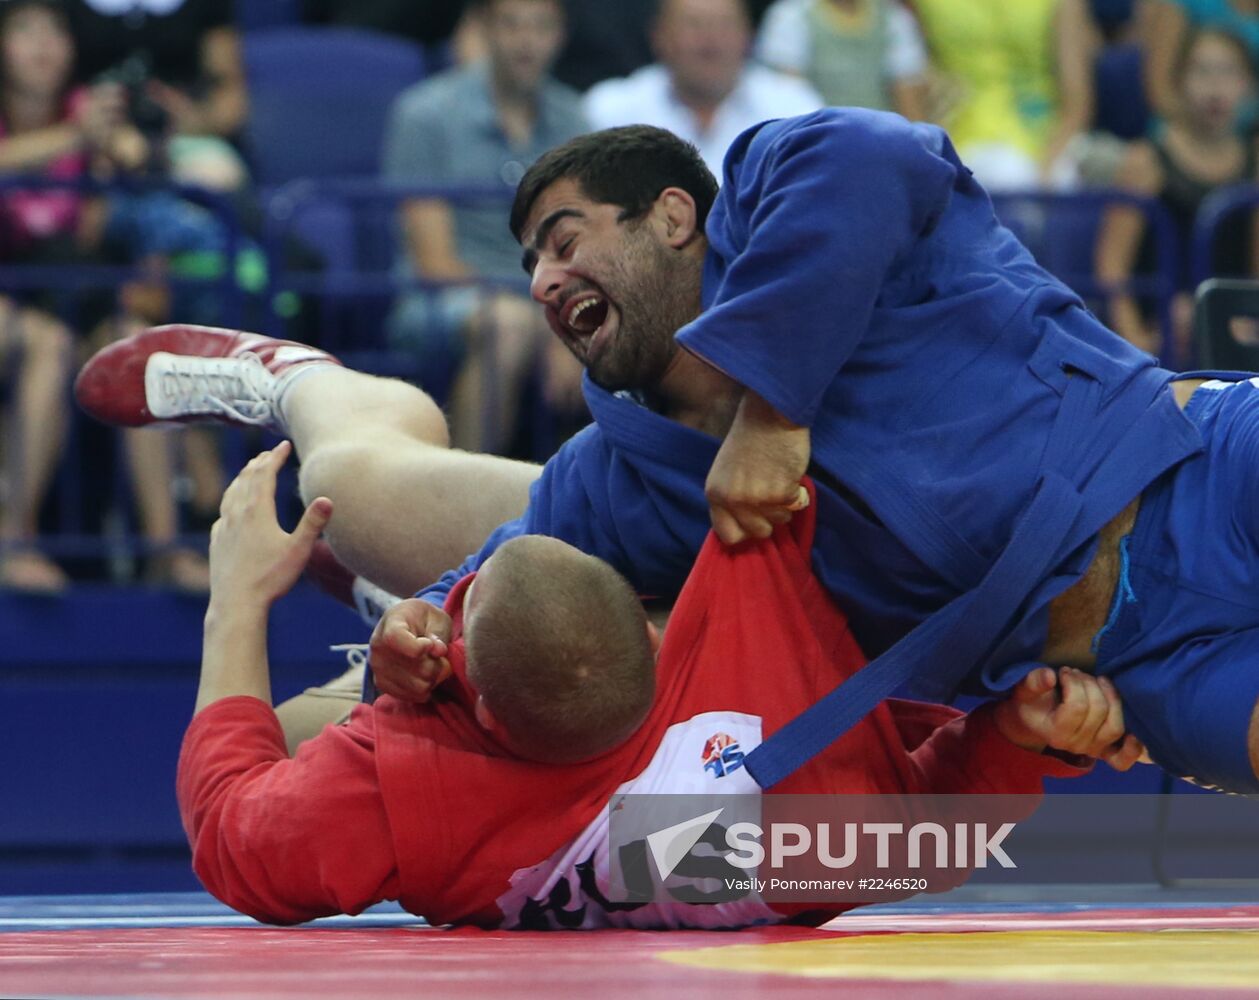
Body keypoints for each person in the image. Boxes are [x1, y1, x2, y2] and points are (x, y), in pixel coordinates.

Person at [78, 110, 1259, 794]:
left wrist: (772, 402)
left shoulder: (780, 181)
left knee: (380, 502)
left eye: (562, 239)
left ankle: (311, 398)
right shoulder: (614, 473)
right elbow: (479, 598)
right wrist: (400, 632)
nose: (541, 281)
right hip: (1143, 654)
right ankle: (309, 389)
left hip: (1191, 460)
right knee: (355, 494)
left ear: (676, 218)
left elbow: (881, 159)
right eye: (528, 266)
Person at [180, 441, 1134, 929]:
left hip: (497, 662)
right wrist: (1017, 740)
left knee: (356, 476)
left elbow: (227, 825)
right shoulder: (778, 795)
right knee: (383, 520)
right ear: (654, 632)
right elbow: (927, 835)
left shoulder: (396, 783)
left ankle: (304, 384)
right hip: (596, 622)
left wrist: (240, 596)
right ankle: (382, 593)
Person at [0, 0, 214, 590]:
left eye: (54, 33)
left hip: (70, 291)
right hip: (13, 293)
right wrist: (72, 138)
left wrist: (131, 148)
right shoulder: (69, 124)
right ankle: (14, 541)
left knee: (136, 352)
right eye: (24, 31)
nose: (42, 46)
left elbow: (120, 195)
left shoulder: (86, 112)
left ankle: (165, 548)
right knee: (46, 343)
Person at [382, 0, 586, 453]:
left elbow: (584, 251)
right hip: (441, 302)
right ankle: (464, 501)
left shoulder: (575, 118)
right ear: (484, 30)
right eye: (512, 25)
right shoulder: (424, 114)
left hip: (544, 300)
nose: (527, 42)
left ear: (560, 36)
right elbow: (434, 264)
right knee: (508, 326)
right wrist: (551, 322)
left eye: (541, 27)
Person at [1096, 27, 1259, 364]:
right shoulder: (1146, 161)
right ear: (1179, 81)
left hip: (1233, 337)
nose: (1216, 87)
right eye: (1202, 71)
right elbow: (1111, 269)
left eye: (1228, 72)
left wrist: (1244, 319)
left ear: (1247, 85)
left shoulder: (1255, 162)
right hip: (1158, 340)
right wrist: (1138, 349)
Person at [582, 0, 823, 178]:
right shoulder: (609, 110)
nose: (710, 41)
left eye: (724, 25)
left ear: (749, 36)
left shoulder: (796, 109)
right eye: (694, 25)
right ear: (659, 36)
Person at [910, 0, 1098, 190]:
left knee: (1057, 180)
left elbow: (1076, 101)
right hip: (960, 137)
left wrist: (1047, 167)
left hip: (1044, 135)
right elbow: (910, 74)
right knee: (1006, 174)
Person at [755, 0, 931, 120]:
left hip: (881, 141)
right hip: (815, 143)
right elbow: (786, 100)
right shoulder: (791, 16)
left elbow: (909, 100)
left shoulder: (892, 16)